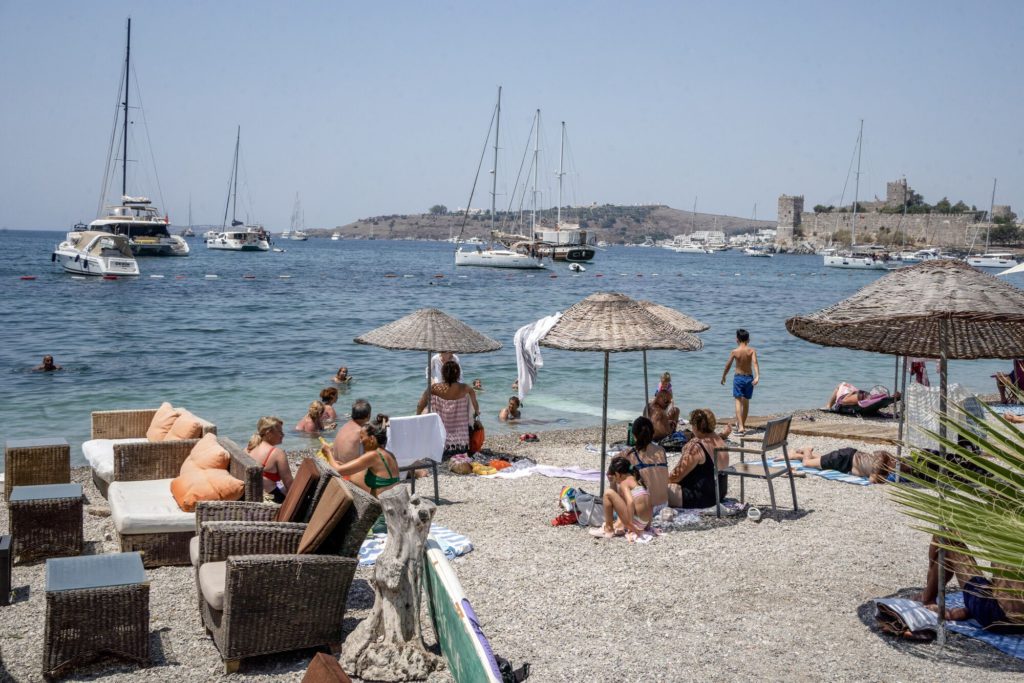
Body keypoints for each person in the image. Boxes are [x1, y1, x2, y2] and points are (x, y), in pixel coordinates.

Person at [917, 536, 1024, 631]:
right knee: (1007, 571)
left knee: (948, 541)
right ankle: (970, 610)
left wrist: (931, 569)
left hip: (997, 618)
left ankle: (927, 598)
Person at [322, 417, 401, 498]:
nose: (360, 441)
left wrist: (328, 453)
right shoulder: (389, 454)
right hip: (393, 501)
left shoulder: (373, 455)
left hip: (381, 504)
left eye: (362, 437)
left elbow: (338, 470)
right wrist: (343, 465)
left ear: (371, 439)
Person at [417, 359, 479, 460]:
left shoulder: (434, 388)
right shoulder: (466, 388)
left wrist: (418, 418)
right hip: (461, 444)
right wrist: (476, 414)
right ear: (458, 374)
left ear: (442, 374)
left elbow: (420, 405)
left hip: (440, 443)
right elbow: (475, 408)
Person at [667, 408, 729, 509]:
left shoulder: (697, 447)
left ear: (696, 426)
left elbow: (675, 476)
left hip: (701, 498)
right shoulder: (720, 441)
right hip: (719, 494)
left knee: (656, 489)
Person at [589, 456, 651, 542]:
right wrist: (648, 526)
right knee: (618, 497)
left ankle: (608, 529)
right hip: (644, 522)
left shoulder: (624, 483)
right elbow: (650, 504)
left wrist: (630, 525)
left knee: (608, 493)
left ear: (617, 474)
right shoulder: (638, 480)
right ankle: (619, 525)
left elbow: (630, 502)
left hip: (635, 523)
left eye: (614, 477)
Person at [624, 416, 668, 513]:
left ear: (634, 435)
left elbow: (614, 466)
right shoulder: (661, 450)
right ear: (652, 433)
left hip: (646, 509)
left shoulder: (631, 454)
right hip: (664, 504)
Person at [246, 416, 294, 503]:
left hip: (250, 495)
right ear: (268, 433)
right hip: (271, 498)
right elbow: (289, 484)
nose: (283, 435)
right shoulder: (277, 453)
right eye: (280, 432)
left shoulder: (248, 449)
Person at [721, 329, 759, 435]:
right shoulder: (752, 351)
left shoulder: (735, 352)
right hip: (749, 378)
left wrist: (724, 376)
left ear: (737, 340)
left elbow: (727, 365)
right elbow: (755, 363)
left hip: (738, 378)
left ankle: (740, 427)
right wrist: (757, 376)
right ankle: (742, 425)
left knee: (738, 402)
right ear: (748, 340)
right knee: (746, 403)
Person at [790, 446, 894, 484]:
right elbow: (872, 479)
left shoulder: (886, 467)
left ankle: (797, 455)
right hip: (845, 458)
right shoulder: (884, 459)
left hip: (846, 462)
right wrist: (878, 474)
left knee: (822, 459)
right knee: (806, 463)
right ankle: (807, 449)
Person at [332, 399, 373, 465]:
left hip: (335, 466)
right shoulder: (361, 432)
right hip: (348, 470)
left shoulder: (344, 427)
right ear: (368, 416)